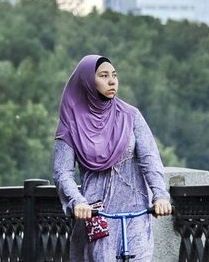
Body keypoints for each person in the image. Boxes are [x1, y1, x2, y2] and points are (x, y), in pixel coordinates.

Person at [53, 54, 173, 262]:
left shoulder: (131, 115)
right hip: (96, 214)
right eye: (103, 75)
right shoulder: (72, 123)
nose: (112, 81)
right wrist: (78, 202)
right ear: (88, 82)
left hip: (135, 213)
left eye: (114, 75)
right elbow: (62, 173)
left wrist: (160, 196)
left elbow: (150, 159)